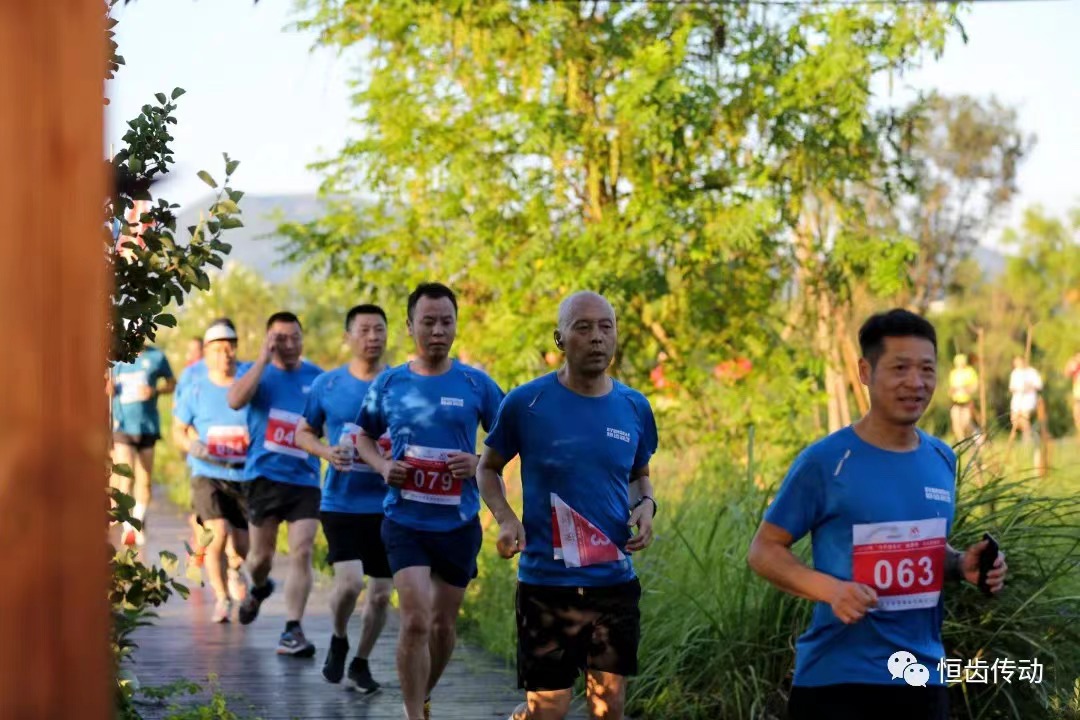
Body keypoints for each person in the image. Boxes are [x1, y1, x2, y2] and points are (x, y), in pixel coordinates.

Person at [747, 308, 1007, 720]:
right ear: (865, 372)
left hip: (922, 678)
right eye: (900, 368)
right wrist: (832, 591)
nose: (916, 382)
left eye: (926, 369)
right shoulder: (826, 461)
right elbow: (764, 551)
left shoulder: (942, 458)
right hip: (837, 680)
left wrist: (960, 565)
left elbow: (916, 545)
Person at [477, 291, 658, 720]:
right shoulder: (526, 403)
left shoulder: (634, 406)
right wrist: (506, 519)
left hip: (613, 581)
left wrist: (647, 505)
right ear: (560, 339)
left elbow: (639, 474)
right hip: (546, 585)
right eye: (583, 327)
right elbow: (487, 468)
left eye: (606, 327)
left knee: (608, 708)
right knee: (549, 710)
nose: (597, 337)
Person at [355, 282, 504, 720]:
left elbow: (507, 443)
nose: (438, 331)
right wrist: (383, 466)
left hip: (458, 522)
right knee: (416, 620)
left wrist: (477, 461)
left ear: (456, 325)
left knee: (441, 626)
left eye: (446, 322)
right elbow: (363, 437)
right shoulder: (389, 383)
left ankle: (422, 694)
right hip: (405, 520)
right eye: (428, 322)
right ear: (410, 326)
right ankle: (413, 714)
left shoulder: (477, 384)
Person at [295, 304, 394, 693]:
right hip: (342, 502)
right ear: (348, 337)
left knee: (382, 596)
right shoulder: (328, 384)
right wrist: (326, 452)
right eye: (364, 330)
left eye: (379, 329)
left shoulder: (399, 383)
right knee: (351, 584)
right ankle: (339, 637)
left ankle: (361, 662)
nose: (372, 337)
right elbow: (303, 432)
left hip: (389, 505)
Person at [227, 311, 324, 657]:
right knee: (260, 558)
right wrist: (262, 360)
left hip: (304, 478)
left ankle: (292, 629)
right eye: (280, 338)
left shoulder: (318, 378)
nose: (290, 344)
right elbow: (234, 400)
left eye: (295, 337)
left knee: (303, 549)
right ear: (269, 340)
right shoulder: (254, 371)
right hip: (263, 477)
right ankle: (259, 586)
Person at [172, 320, 251, 623]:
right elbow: (178, 429)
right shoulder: (194, 384)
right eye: (217, 349)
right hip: (207, 471)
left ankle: (235, 569)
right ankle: (222, 598)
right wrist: (194, 447)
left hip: (243, 474)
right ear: (206, 352)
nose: (225, 354)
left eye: (230, 348)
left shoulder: (249, 379)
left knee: (242, 545)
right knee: (216, 533)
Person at [108, 344, 176, 547]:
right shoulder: (114, 358)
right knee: (126, 476)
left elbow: (172, 383)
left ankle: (138, 519)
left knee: (145, 480)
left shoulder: (157, 356)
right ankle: (129, 527)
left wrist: (155, 390)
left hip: (147, 427)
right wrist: (107, 388)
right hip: (122, 426)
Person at [1008, 356, 1043, 444]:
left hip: (1028, 399)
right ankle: (1031, 434)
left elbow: (1039, 385)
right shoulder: (1015, 373)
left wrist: (1029, 386)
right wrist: (1018, 389)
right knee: (1014, 421)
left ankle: (1027, 439)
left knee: (1024, 418)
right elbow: (1011, 388)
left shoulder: (1031, 372)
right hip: (1017, 399)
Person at [947, 354, 979, 441]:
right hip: (955, 402)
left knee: (966, 423)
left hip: (966, 402)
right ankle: (961, 441)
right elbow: (951, 388)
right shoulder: (953, 373)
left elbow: (975, 386)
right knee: (956, 423)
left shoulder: (970, 371)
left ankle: (976, 434)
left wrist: (966, 389)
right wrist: (952, 391)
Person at [1064, 353, 1080, 434]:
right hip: (1077, 393)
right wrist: (1069, 364)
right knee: (1077, 413)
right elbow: (1066, 374)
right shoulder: (1075, 366)